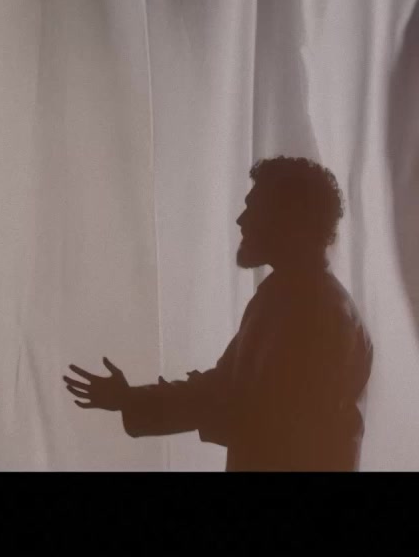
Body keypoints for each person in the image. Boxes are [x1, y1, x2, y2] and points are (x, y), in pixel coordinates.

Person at [63, 157, 373, 471]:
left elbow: (259, 417)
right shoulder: (288, 298)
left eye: (254, 208)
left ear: (290, 221)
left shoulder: (318, 313)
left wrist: (132, 401)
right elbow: (227, 390)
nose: (241, 220)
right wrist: (130, 400)